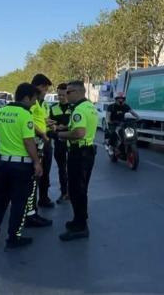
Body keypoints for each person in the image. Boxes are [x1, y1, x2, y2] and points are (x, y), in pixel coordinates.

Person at [0, 83, 44, 251]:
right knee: (19, 203)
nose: (35, 103)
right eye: (34, 99)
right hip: (21, 166)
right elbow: (28, 141)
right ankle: (13, 238)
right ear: (27, 97)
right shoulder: (25, 116)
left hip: (3, 164)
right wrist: (37, 162)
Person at [47, 80, 97, 241]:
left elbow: (79, 133)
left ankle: (80, 227)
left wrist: (57, 135)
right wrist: (65, 128)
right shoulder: (89, 106)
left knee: (77, 190)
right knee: (80, 189)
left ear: (77, 92)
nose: (65, 95)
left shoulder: (78, 110)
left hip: (79, 153)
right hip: (86, 152)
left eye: (68, 92)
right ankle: (79, 220)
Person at [26, 74, 54, 224]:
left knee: (45, 173)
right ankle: (32, 210)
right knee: (35, 176)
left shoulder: (43, 104)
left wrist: (48, 123)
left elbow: (40, 119)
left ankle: (43, 198)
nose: (46, 92)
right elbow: (29, 121)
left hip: (45, 141)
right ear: (39, 87)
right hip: (37, 142)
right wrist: (42, 133)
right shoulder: (32, 102)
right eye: (45, 89)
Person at [48, 83, 71, 204]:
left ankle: (73, 192)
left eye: (63, 94)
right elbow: (50, 124)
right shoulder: (53, 108)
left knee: (72, 169)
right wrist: (55, 127)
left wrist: (65, 127)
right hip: (59, 143)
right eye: (59, 95)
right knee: (62, 169)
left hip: (72, 142)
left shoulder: (74, 108)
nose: (61, 97)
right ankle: (64, 193)